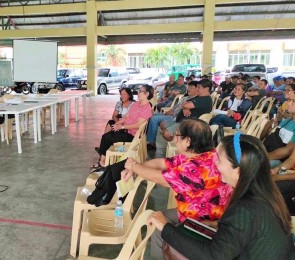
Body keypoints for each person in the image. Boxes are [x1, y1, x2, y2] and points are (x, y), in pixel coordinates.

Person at [148, 134, 294, 259]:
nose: (214, 163)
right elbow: (248, 232)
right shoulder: (264, 193)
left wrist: (165, 226)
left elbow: (213, 256)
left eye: (218, 159)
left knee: (167, 237)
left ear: (237, 172)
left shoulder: (245, 208)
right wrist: (218, 225)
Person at [121, 118, 233, 259]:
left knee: (158, 227)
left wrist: (134, 167)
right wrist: (136, 166)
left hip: (202, 223)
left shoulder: (197, 168)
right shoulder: (205, 155)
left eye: (177, 136)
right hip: (196, 212)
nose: (174, 140)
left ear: (187, 141)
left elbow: (159, 178)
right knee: (156, 220)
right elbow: (163, 163)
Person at [93, 84, 153, 169]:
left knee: (107, 138)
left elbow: (138, 125)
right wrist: (118, 123)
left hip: (132, 136)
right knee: (107, 135)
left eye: (140, 91)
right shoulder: (136, 104)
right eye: (139, 91)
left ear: (147, 94)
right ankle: (103, 160)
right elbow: (126, 116)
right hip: (126, 130)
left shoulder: (146, 108)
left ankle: (102, 161)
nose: (138, 93)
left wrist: (122, 127)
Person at [146, 81, 198, 150]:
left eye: (191, 88)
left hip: (174, 117)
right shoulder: (186, 98)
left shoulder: (194, 101)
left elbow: (180, 112)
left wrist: (171, 113)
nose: (189, 89)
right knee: (151, 115)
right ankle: (148, 138)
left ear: (197, 89)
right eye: (189, 87)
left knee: (153, 119)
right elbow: (176, 107)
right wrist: (168, 112)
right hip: (172, 113)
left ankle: (152, 143)